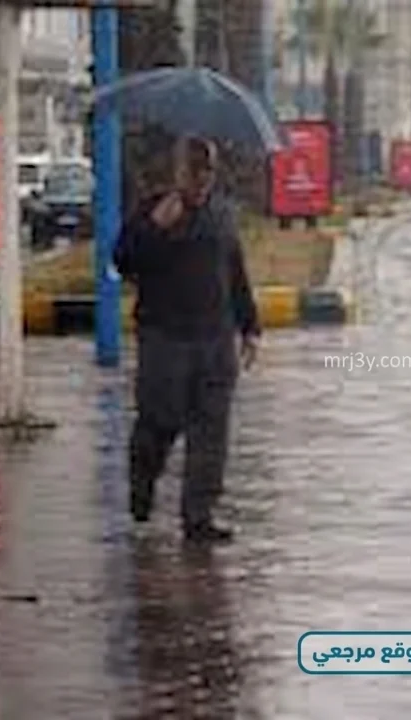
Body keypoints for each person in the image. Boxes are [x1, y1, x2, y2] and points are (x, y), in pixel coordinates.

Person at [114, 135, 261, 544]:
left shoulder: (222, 214)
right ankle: (142, 485)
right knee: (159, 422)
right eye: (194, 169)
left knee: (211, 431)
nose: (202, 178)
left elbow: (235, 272)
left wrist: (250, 326)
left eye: (208, 169)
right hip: (165, 339)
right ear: (177, 171)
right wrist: (155, 229)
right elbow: (123, 261)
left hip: (215, 340)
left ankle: (199, 516)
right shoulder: (152, 210)